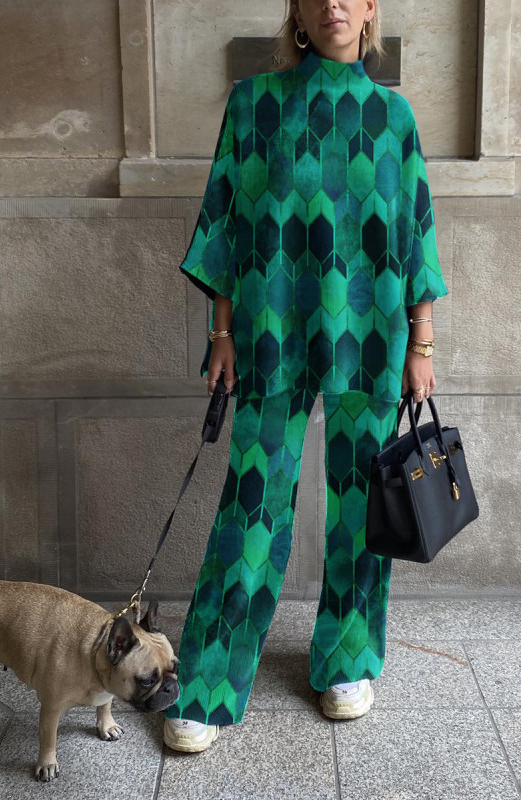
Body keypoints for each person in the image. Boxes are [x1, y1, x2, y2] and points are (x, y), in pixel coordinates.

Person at [164, 0, 448, 753]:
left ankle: (348, 660)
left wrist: (422, 342)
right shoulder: (254, 105)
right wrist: (221, 332)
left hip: (372, 331)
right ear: (296, 12)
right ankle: (209, 682)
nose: (332, 5)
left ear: (369, 10)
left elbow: (415, 231)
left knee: (363, 505)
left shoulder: (392, 117)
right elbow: (227, 222)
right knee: (251, 505)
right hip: (271, 331)